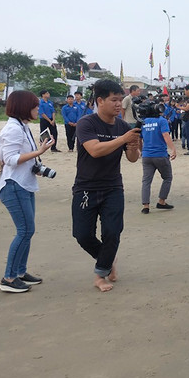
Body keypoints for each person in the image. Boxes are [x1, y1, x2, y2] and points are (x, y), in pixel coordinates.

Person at [71, 79, 141, 292]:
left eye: (120, 100)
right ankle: (108, 259)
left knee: (112, 231)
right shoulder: (87, 123)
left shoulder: (122, 126)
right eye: (114, 100)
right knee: (82, 235)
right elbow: (95, 150)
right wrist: (123, 139)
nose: (119, 104)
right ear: (100, 101)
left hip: (113, 187)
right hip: (86, 187)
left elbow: (132, 158)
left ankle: (101, 274)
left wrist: (133, 146)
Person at [0, 91, 55, 292]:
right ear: (23, 107)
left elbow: (12, 155)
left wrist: (35, 158)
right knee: (25, 231)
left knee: (27, 231)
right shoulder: (14, 128)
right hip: (14, 185)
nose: (38, 109)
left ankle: (20, 272)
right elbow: (10, 158)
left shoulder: (22, 126)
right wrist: (39, 152)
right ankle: (9, 278)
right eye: (35, 106)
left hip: (22, 183)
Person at [140, 104, 176, 214]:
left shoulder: (143, 121)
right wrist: (173, 149)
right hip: (160, 155)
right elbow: (166, 135)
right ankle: (161, 201)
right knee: (167, 177)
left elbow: (138, 138)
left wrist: (140, 151)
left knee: (146, 181)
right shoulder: (162, 121)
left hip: (146, 155)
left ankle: (146, 206)